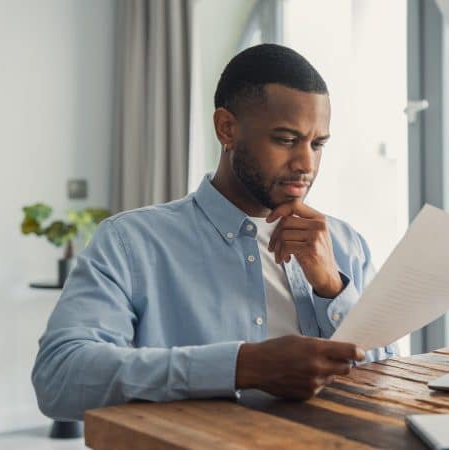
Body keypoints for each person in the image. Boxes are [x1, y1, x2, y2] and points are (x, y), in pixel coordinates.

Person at [32, 43, 397, 421]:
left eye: (317, 144)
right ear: (227, 128)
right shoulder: (130, 242)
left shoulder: (345, 243)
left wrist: (331, 289)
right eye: (286, 140)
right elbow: (60, 377)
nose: (306, 163)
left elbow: (388, 378)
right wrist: (244, 366)